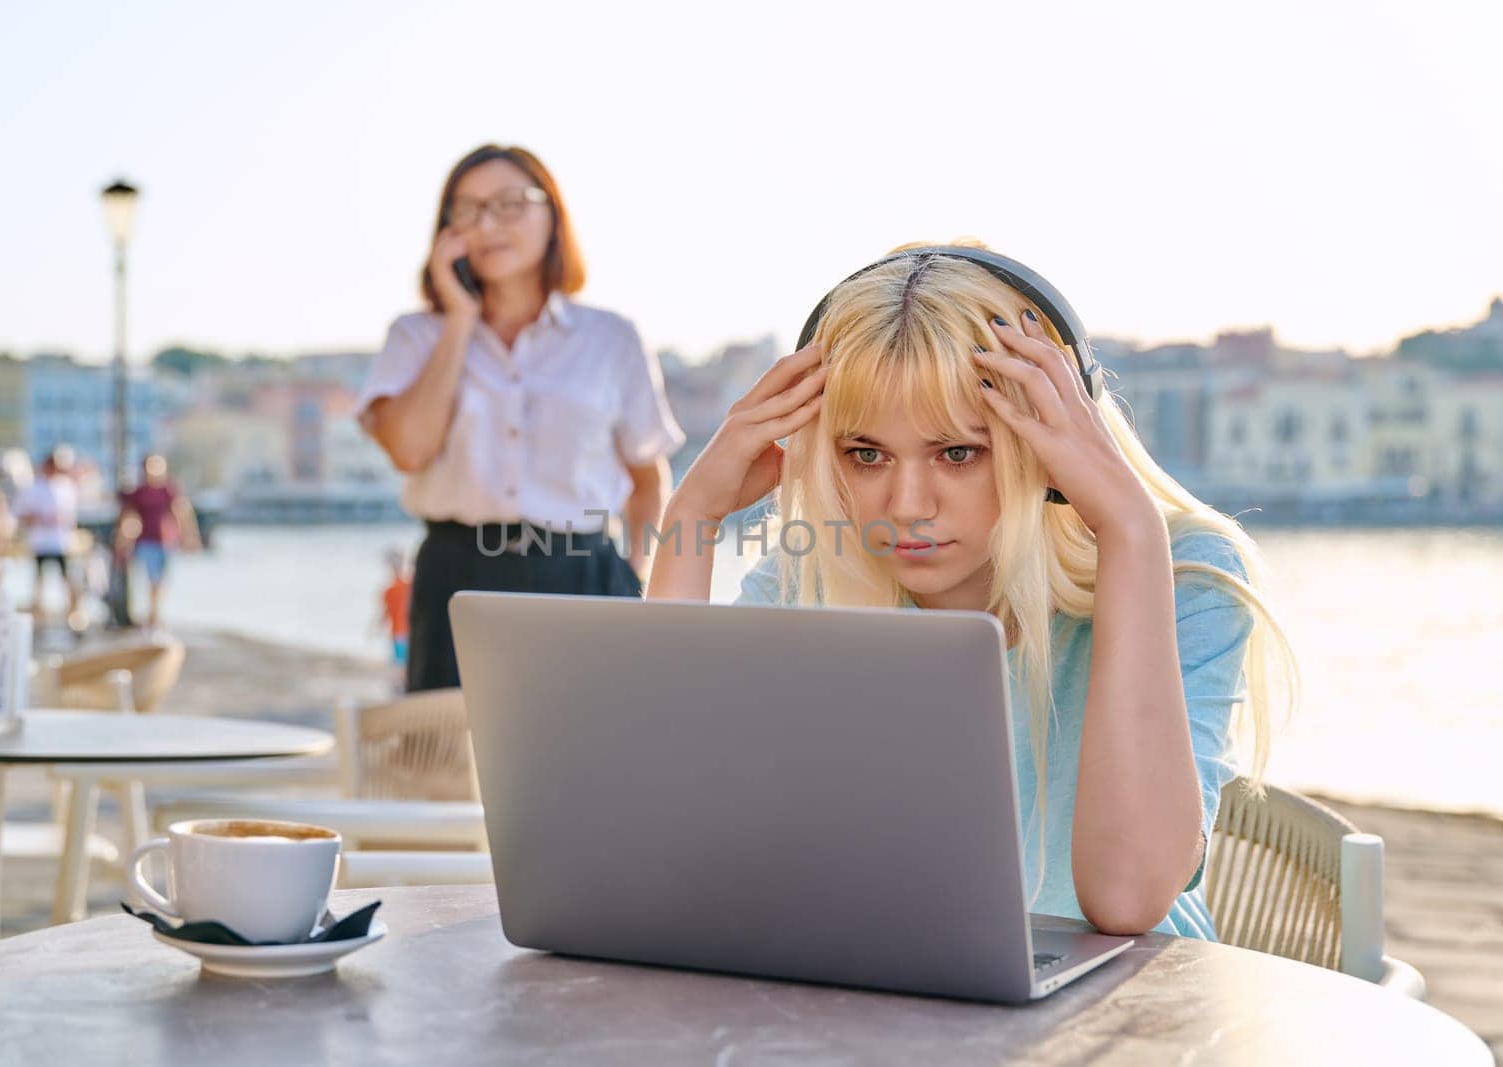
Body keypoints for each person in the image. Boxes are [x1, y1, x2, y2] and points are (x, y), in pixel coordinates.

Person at [647, 243, 1299, 940]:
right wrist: (693, 518)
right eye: (866, 454)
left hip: (1124, 1021)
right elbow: (669, 824)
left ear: (1048, 446)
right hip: (884, 998)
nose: (904, 504)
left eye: (957, 452)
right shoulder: (813, 576)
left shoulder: (1185, 575)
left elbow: (1126, 896)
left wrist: (1128, 531)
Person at [358, 144, 685, 692]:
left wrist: (640, 577)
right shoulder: (415, 336)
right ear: (446, 230)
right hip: (457, 579)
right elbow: (408, 451)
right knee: (453, 765)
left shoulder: (611, 338)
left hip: (585, 574)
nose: (488, 224)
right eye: (467, 209)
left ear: (552, 215)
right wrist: (459, 319)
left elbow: (646, 477)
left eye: (510, 204)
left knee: (596, 760)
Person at [117, 454, 202, 629]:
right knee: (151, 577)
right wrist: (123, 541)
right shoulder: (139, 493)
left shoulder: (168, 490)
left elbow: (182, 512)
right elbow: (130, 518)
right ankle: (153, 614)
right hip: (146, 541)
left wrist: (189, 536)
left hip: (167, 541)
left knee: (161, 579)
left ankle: (155, 612)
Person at [14, 446, 82, 628]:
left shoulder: (66, 486)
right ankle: (39, 611)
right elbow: (22, 514)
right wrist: (40, 518)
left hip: (61, 541)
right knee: (39, 579)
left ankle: (73, 612)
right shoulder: (34, 487)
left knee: (67, 577)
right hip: (40, 541)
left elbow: (71, 515)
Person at [380, 547, 413, 673]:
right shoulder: (408, 585)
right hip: (405, 632)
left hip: (400, 633)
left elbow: (384, 615)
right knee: (404, 664)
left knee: (400, 664)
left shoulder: (391, 589)